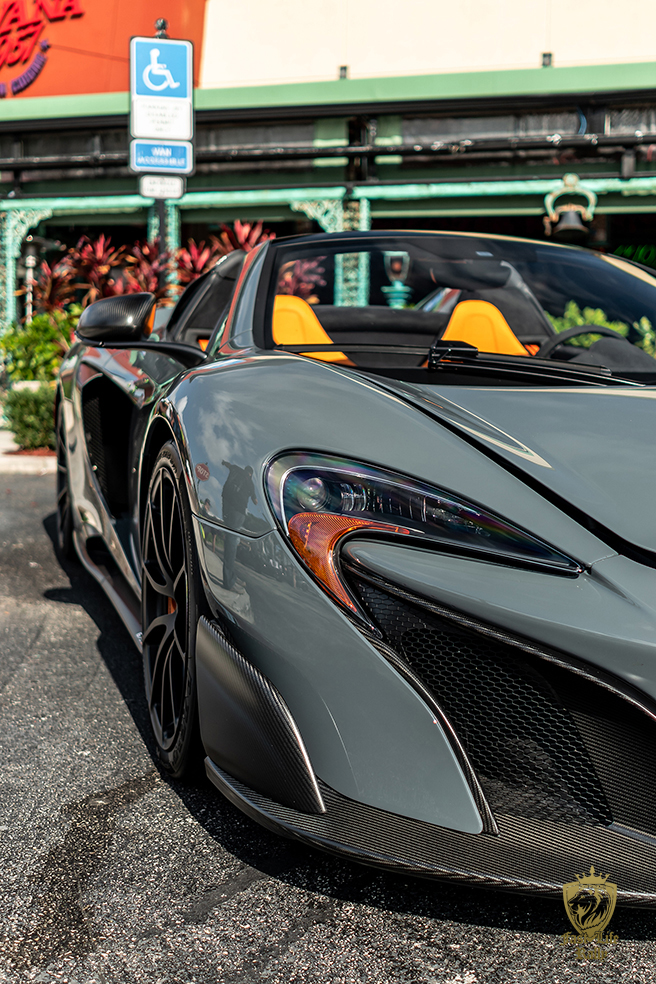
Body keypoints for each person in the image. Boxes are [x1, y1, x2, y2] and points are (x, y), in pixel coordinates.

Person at [221, 461, 257, 590]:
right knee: (232, 543)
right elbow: (255, 501)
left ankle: (231, 576)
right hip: (238, 511)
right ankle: (229, 581)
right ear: (251, 474)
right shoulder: (250, 482)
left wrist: (223, 462)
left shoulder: (236, 469)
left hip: (226, 505)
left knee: (230, 541)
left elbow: (227, 464)